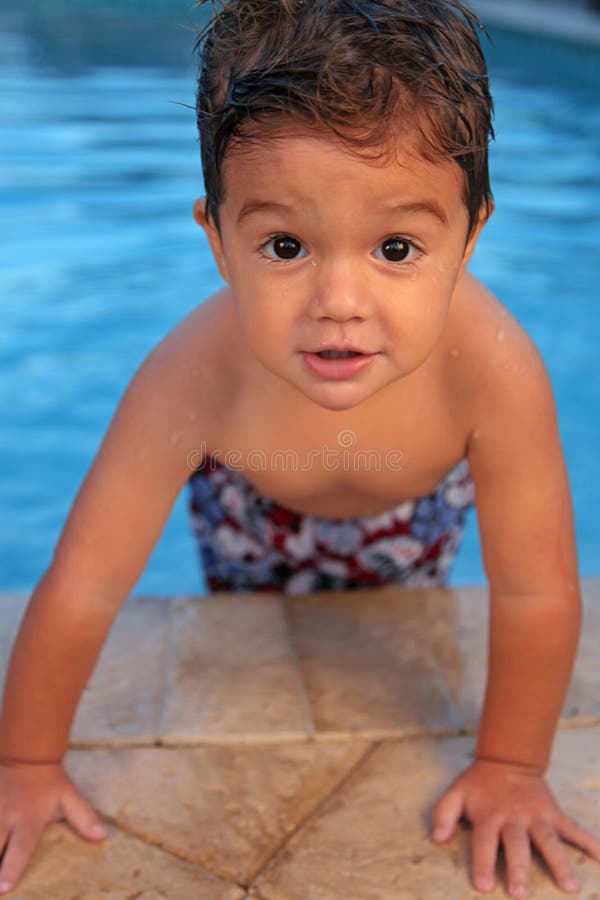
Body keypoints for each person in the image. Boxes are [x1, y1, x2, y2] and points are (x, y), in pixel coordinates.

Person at [0, 0, 598, 895]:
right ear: (217, 240)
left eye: (396, 247)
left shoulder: (494, 370)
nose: (339, 302)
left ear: (469, 236)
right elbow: (84, 586)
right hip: (254, 514)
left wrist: (512, 767)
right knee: (256, 654)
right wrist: (25, 766)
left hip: (415, 515)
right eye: (285, 245)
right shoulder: (193, 376)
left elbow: (535, 591)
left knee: (393, 627)